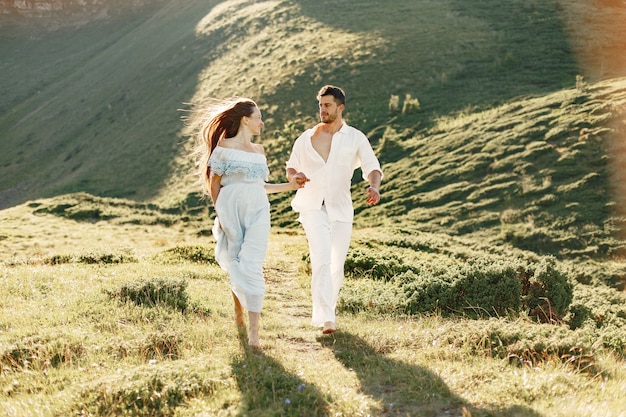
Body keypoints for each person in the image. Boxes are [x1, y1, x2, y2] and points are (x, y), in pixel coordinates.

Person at [194, 98, 305, 348]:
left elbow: (260, 186)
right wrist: (220, 213)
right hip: (230, 207)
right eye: (259, 117)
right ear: (245, 119)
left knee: (253, 263)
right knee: (235, 260)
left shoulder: (259, 151)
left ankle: (254, 333)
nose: (261, 123)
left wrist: (291, 185)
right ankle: (238, 312)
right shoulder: (222, 148)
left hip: (258, 209)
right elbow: (214, 183)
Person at [286, 85, 383, 335]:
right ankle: (327, 318)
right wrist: (295, 176)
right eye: (320, 105)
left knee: (336, 265)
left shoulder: (355, 138)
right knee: (321, 257)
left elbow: (372, 166)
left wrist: (374, 187)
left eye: (327, 105)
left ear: (340, 108)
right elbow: (291, 167)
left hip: (341, 209)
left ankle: (327, 310)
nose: (322, 110)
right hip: (312, 206)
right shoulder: (306, 138)